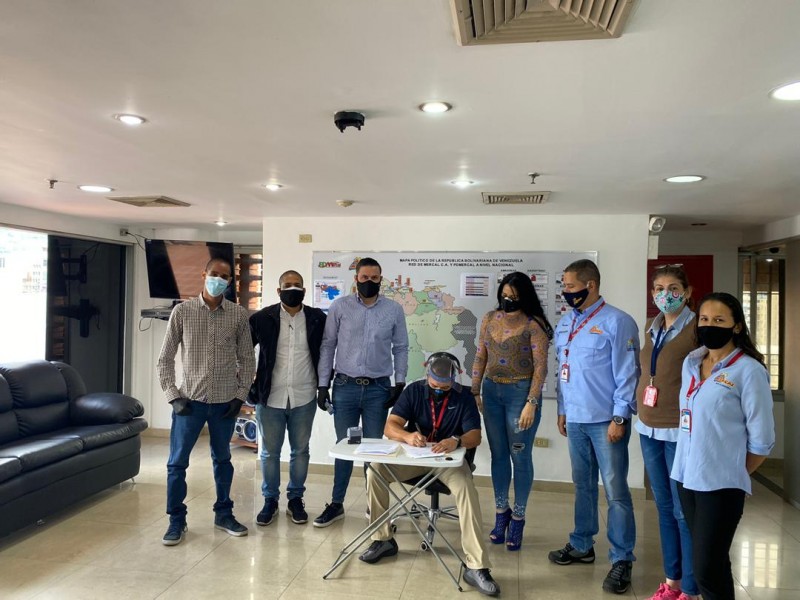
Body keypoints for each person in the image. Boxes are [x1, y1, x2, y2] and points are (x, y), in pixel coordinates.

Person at [359, 353, 501, 597]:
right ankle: (383, 540)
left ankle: (476, 566)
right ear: (427, 377)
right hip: (415, 459)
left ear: (454, 381)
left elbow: (475, 436)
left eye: (444, 388)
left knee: (466, 489)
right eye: (434, 386)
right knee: (376, 470)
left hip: (448, 462)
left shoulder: (464, 397)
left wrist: (456, 440)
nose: (438, 391)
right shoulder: (414, 391)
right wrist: (407, 436)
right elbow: (390, 426)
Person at [671, 292, 774, 600]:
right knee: (711, 563)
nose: (709, 326)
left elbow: (762, 439)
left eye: (719, 320)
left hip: (720, 485)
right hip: (686, 477)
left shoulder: (749, 371)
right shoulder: (691, 363)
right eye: (704, 319)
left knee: (706, 567)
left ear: (736, 326)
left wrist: (732, 473)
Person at [548, 259, 640, 595]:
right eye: (564, 286)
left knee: (615, 491)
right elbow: (563, 370)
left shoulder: (618, 322)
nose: (565, 291)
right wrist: (562, 409)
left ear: (591, 285)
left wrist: (620, 417)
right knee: (582, 485)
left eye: (570, 286)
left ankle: (622, 558)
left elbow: (628, 373)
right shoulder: (566, 322)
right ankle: (582, 544)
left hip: (606, 421)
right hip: (575, 419)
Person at [157, 257, 256, 546]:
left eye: (225, 276)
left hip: (225, 404)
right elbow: (165, 359)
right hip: (189, 403)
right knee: (177, 463)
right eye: (215, 274)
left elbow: (247, 359)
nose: (219, 280)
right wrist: (173, 396)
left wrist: (240, 396)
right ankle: (176, 520)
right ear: (204, 274)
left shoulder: (238, 315)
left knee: (223, 459)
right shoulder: (182, 312)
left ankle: (224, 514)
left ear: (230, 281)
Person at [313, 257, 409, 527]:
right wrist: (323, 384)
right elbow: (328, 345)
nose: (369, 282)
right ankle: (336, 504)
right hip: (345, 387)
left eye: (374, 278)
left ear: (381, 279)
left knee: (374, 450)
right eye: (364, 278)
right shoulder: (339, 306)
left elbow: (401, 347)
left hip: (379, 389)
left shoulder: (393, 309)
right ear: (355, 279)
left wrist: (400, 382)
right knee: (345, 447)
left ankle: (373, 507)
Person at [471, 271, 553, 551]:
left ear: (525, 297)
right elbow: (480, 355)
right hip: (492, 392)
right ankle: (500, 513)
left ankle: (518, 518)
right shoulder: (489, 319)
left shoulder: (534, 324)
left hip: (520, 395)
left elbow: (541, 367)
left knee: (520, 456)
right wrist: (475, 390)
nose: (508, 300)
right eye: (504, 295)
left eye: (514, 297)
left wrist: (532, 401)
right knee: (498, 455)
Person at [636, 265, 700, 600]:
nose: (666, 295)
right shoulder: (652, 326)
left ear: (687, 292)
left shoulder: (697, 329)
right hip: (648, 426)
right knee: (662, 507)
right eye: (659, 288)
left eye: (674, 288)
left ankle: (690, 588)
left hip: (679, 430)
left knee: (682, 511)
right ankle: (672, 582)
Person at [249, 270, 326, 526]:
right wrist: (247, 383)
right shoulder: (262, 318)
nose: (293, 289)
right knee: (269, 453)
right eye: (287, 285)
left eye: (297, 285)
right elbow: (242, 351)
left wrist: (325, 386)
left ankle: (295, 499)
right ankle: (270, 500)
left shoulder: (317, 318)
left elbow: (327, 352)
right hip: (270, 397)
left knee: (300, 451)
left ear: (304, 290)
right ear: (278, 290)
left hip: (304, 395)